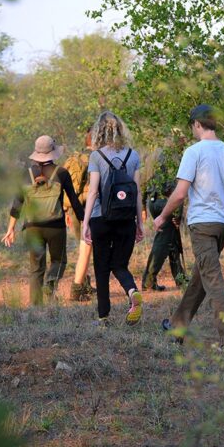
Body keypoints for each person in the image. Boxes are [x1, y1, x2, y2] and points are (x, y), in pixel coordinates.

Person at [155, 105, 224, 348]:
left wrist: (162, 216)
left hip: (202, 225)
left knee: (213, 281)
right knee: (202, 276)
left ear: (197, 124)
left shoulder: (194, 152)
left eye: (192, 126)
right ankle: (177, 325)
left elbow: (180, 193)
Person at [2, 135, 85, 305]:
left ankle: (36, 305)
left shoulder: (25, 175)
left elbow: (17, 204)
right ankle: (50, 283)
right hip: (56, 227)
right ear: (53, 153)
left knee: (36, 267)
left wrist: (11, 229)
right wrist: (85, 221)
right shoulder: (61, 173)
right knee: (59, 261)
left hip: (32, 227)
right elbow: (74, 201)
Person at [81, 111, 145, 326]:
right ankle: (132, 291)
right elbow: (137, 191)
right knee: (119, 264)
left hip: (101, 218)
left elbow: (93, 192)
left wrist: (85, 223)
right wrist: (140, 222)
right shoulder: (133, 155)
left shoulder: (96, 156)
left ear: (99, 132)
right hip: (126, 219)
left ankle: (103, 316)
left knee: (101, 267)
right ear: (120, 130)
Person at [141, 137, 188, 291]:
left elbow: (144, 180)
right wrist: (178, 213)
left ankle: (180, 278)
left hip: (153, 201)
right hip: (166, 202)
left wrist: (143, 205)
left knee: (171, 240)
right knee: (162, 242)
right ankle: (148, 281)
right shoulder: (174, 157)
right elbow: (176, 189)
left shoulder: (153, 154)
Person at [63, 127, 95, 301]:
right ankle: (81, 286)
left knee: (82, 247)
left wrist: (66, 209)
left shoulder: (73, 158)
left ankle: (83, 283)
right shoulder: (97, 158)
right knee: (89, 247)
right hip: (90, 208)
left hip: (74, 208)